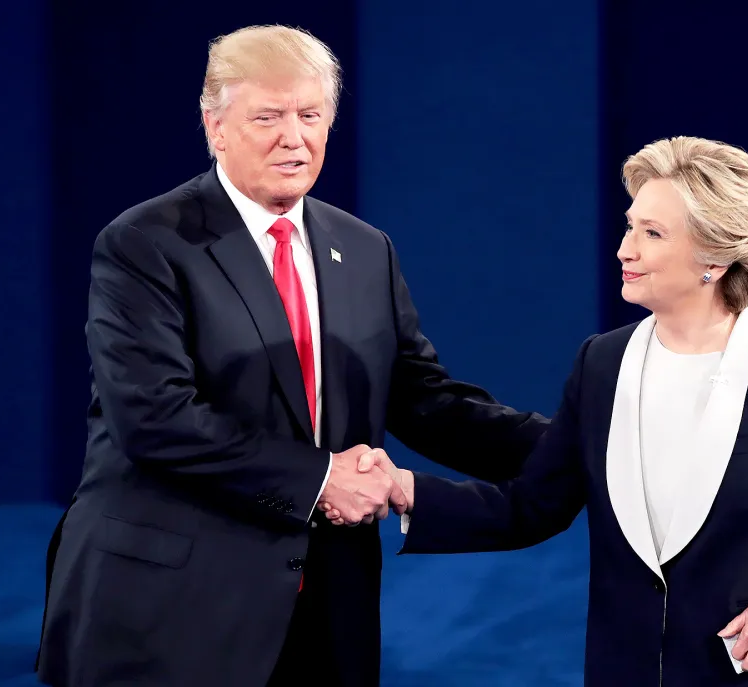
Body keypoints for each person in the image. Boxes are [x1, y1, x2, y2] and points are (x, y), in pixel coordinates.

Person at [35, 24, 548, 687]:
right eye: (268, 116)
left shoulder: (365, 249)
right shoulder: (146, 243)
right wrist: (320, 478)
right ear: (215, 126)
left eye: (310, 115)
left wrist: (577, 443)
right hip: (173, 609)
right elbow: (154, 416)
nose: (294, 136)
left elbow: (424, 400)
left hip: (328, 606)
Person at [339, 136, 748, 686]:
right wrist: (407, 489)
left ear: (713, 255)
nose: (625, 249)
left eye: (653, 233)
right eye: (629, 226)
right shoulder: (602, 363)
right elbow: (533, 507)